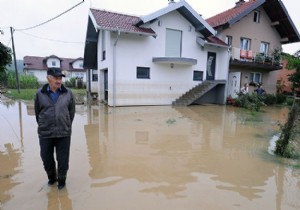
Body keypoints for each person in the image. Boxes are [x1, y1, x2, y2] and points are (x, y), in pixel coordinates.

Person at [34, 68, 75, 190]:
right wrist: (44, 125)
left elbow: (71, 112)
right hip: (45, 133)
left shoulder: (68, 93)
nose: (59, 81)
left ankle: (62, 182)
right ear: (48, 78)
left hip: (64, 133)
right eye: (56, 78)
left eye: (60, 78)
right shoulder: (40, 93)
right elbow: (37, 113)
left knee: (63, 160)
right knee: (46, 159)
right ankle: (52, 179)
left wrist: (66, 124)